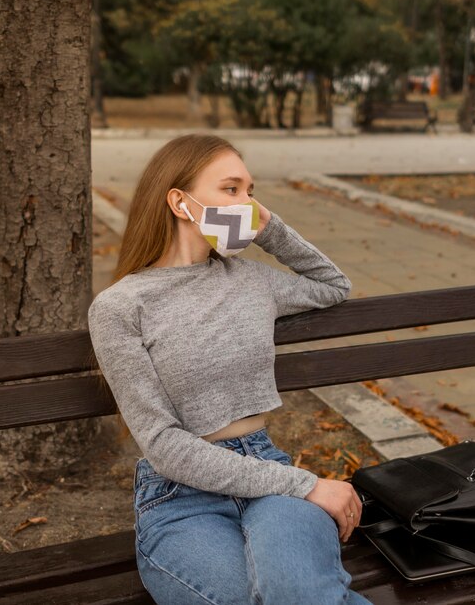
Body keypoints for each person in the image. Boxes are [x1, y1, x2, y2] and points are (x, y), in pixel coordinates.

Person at [87, 134, 372, 605]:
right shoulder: (121, 307)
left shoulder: (252, 281)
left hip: (266, 469)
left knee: (300, 593)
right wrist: (308, 485)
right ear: (180, 202)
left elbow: (332, 285)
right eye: (232, 189)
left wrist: (269, 228)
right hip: (180, 496)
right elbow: (163, 446)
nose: (249, 204)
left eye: (251, 191)